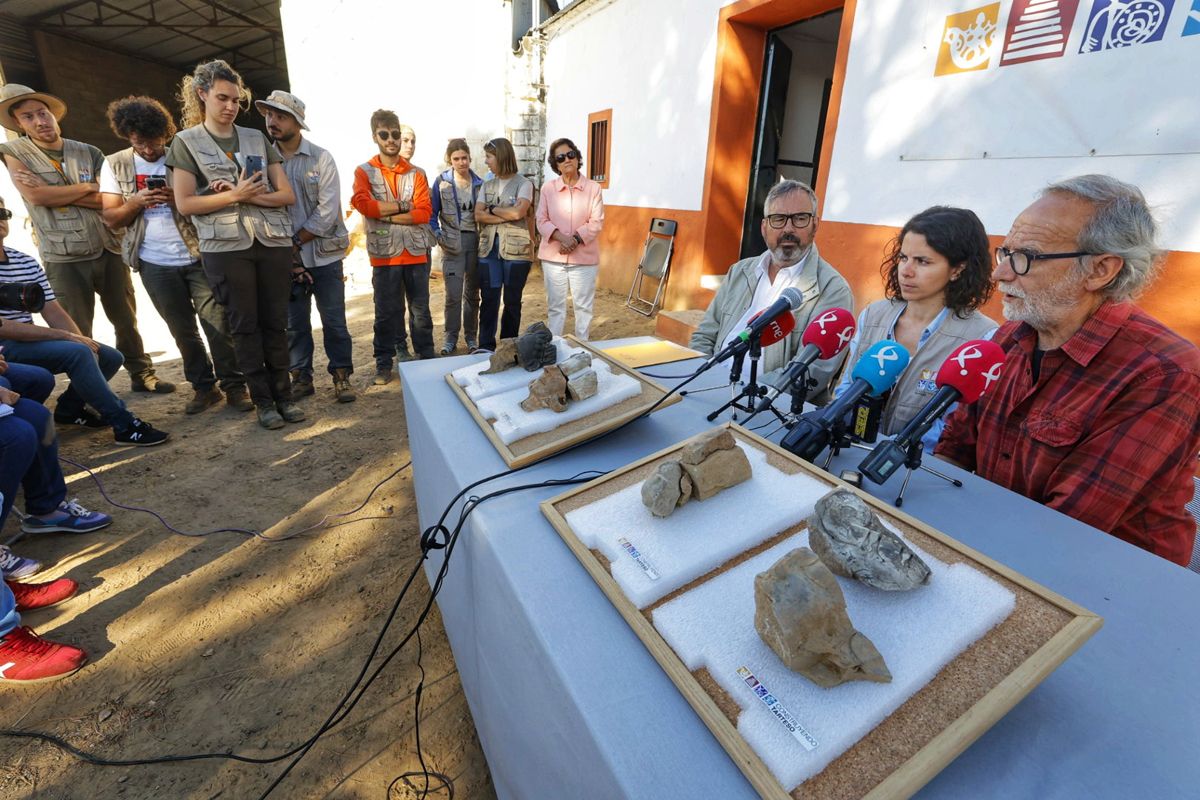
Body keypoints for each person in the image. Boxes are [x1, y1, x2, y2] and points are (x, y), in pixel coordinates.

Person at [936, 175, 1200, 566]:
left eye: (1025, 257)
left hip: (1109, 588)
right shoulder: (1007, 340)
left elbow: (1066, 529)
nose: (1001, 274)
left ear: (1100, 270)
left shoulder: (1166, 374)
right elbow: (953, 452)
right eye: (1004, 252)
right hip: (994, 546)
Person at [0, 83, 172, 395]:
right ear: (19, 124)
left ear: (54, 115)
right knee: (76, 327)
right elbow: (36, 197)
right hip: (63, 255)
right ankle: (85, 394)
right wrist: (87, 187)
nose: (40, 121)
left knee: (126, 319)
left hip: (106, 246)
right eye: (29, 117)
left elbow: (109, 200)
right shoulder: (14, 153)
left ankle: (141, 372)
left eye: (43, 113)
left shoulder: (88, 151)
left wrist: (61, 193)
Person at [168, 60, 305, 431]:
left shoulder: (256, 138)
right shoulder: (186, 142)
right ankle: (263, 402)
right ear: (202, 95)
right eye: (222, 98)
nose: (230, 106)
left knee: (276, 322)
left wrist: (243, 195)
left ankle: (285, 396)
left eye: (235, 99)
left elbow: (286, 195)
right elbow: (184, 203)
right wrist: (234, 198)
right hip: (226, 248)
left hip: (272, 241)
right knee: (245, 326)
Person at [99, 95, 250, 415]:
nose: (149, 149)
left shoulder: (183, 155)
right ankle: (204, 388)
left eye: (154, 141)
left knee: (218, 324)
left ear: (165, 133)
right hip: (154, 262)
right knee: (182, 330)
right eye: (140, 142)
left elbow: (212, 202)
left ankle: (235, 386)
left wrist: (178, 200)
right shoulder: (115, 164)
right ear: (127, 134)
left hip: (198, 254)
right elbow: (111, 218)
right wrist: (136, 202)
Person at [0, 196, 170, 446]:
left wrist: (82, 340)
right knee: (78, 353)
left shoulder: (24, 260)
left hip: (26, 340)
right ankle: (124, 424)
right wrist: (69, 339)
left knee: (109, 356)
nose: (0, 219)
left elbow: (53, 310)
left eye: (2, 213)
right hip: (5, 346)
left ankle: (70, 409)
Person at [834, 206, 997, 450]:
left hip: (913, 471)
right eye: (903, 258)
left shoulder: (981, 339)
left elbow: (954, 428)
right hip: (847, 450)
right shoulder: (873, 315)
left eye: (923, 261)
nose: (906, 271)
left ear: (957, 269)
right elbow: (845, 389)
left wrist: (890, 450)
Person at [690, 179, 854, 402]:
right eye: (778, 219)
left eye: (800, 218)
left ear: (815, 225)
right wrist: (701, 378)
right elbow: (704, 335)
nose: (788, 229)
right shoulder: (740, 271)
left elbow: (811, 372)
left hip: (767, 408)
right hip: (709, 390)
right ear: (764, 227)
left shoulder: (833, 290)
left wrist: (742, 397)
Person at [256, 90, 355, 403]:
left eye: (280, 116)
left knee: (334, 322)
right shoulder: (260, 161)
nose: (273, 121)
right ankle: (302, 378)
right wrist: (286, 250)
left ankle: (341, 377)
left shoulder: (321, 158)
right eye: (270, 115)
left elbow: (327, 212)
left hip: (324, 256)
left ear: (297, 122)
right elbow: (262, 207)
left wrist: (295, 242)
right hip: (283, 259)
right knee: (294, 325)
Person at [351, 110, 434, 384]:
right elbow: (363, 204)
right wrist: (401, 206)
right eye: (385, 134)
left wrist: (382, 212)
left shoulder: (417, 173)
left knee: (420, 310)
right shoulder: (364, 171)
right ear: (375, 136)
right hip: (385, 255)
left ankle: (426, 357)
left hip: (416, 252)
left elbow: (423, 213)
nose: (392, 140)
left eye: (396, 134)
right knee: (386, 311)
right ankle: (384, 363)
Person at [536, 136, 604, 340]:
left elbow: (596, 221)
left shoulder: (594, 188)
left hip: (583, 258)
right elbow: (541, 220)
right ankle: (554, 347)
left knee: (583, 308)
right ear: (555, 164)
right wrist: (561, 238)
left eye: (570, 154)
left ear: (577, 157)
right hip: (553, 258)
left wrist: (573, 239)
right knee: (555, 307)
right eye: (560, 158)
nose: (567, 160)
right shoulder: (548, 189)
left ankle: (582, 348)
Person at [473, 137, 534, 353]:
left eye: (489, 157)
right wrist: (505, 213)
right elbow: (478, 215)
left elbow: (519, 212)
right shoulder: (486, 185)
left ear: (501, 157)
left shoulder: (524, 184)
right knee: (488, 299)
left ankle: (508, 347)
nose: (487, 162)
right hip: (488, 251)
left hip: (517, 252)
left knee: (512, 301)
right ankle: (486, 346)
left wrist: (492, 209)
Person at [429, 138, 483, 355]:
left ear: (470, 158)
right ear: (449, 160)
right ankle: (450, 337)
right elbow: (431, 214)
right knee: (453, 294)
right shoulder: (442, 182)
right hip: (452, 243)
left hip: (475, 242)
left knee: (472, 294)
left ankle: (471, 337)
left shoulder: (479, 183)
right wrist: (439, 236)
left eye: (464, 158)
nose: (461, 162)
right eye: (456, 159)